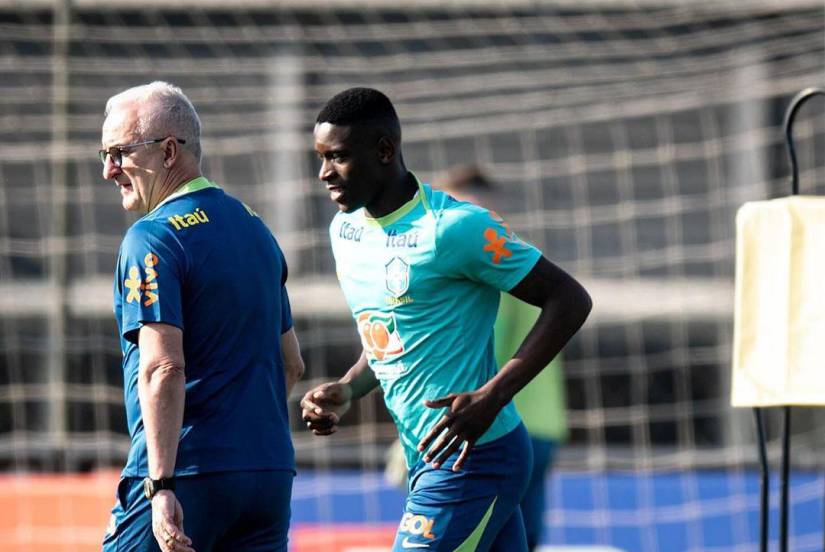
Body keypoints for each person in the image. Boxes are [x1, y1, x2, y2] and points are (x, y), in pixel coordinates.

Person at [301, 87, 591, 551]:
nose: (324, 173)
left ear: (383, 150)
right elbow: (395, 336)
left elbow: (570, 299)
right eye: (320, 157)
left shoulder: (456, 227)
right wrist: (349, 387)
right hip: (425, 455)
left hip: (477, 458)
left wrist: (492, 395)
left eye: (337, 157)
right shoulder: (346, 231)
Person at [100, 81, 303, 552]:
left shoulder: (150, 238)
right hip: (268, 475)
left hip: (187, 473)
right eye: (103, 154)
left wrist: (162, 484)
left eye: (120, 152)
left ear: (169, 151)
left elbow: (163, 366)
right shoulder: (257, 231)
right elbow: (290, 364)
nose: (109, 170)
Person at [438, 166, 568, 551]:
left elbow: (480, 351)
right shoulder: (522, 254)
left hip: (498, 425)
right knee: (521, 539)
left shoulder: (485, 261)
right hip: (543, 423)